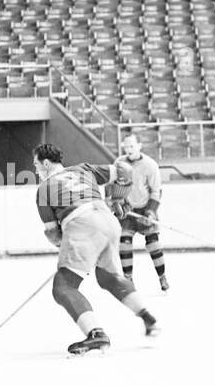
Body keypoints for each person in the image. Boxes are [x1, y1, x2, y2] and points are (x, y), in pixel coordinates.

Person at [33, 143, 160, 355]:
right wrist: (119, 199)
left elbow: (55, 234)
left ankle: (96, 334)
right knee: (107, 278)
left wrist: (64, 246)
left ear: (46, 163)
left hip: (81, 224)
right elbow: (125, 171)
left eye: (36, 165)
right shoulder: (83, 169)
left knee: (63, 286)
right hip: (107, 221)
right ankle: (148, 318)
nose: (36, 169)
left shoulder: (44, 188)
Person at [107, 130, 169, 292]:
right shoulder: (119, 162)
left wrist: (150, 212)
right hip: (127, 212)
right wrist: (116, 203)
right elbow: (112, 185)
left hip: (145, 209)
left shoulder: (150, 165)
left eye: (132, 146)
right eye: (126, 146)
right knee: (124, 244)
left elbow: (156, 191)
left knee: (153, 244)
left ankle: (162, 277)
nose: (129, 149)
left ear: (139, 146)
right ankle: (128, 280)